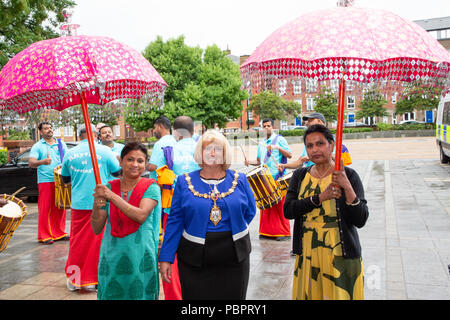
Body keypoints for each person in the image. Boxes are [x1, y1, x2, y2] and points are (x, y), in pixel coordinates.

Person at [159, 130, 256, 300]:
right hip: (193, 257)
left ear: (225, 153)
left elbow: (250, 211)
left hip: (234, 255)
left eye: (218, 149)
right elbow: (175, 221)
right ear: (199, 153)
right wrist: (166, 258)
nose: (212, 153)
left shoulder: (240, 179)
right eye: (207, 149)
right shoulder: (183, 181)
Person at [283, 124, 368, 300]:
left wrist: (347, 187)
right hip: (308, 255)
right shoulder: (300, 176)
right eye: (310, 145)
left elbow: (360, 219)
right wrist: (320, 198)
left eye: (320, 143)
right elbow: (289, 210)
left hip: (340, 256)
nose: (315, 149)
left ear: (332, 145)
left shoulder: (349, 175)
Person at [91, 142, 161, 300]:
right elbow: (96, 228)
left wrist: (111, 197)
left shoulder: (151, 187)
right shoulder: (108, 187)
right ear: (120, 161)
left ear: (146, 164)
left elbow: (141, 215)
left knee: (140, 294)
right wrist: (97, 205)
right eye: (130, 159)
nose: (135, 164)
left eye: (140, 161)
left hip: (141, 255)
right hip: (112, 255)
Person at [61, 123, 122, 292]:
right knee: (100, 242)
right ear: (95, 134)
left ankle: (75, 279)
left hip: (79, 203)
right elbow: (117, 173)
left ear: (79, 135)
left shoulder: (70, 153)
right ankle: (96, 279)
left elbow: (64, 179)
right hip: (101, 201)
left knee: (77, 241)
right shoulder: (105, 151)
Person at [245, 118, 292, 240]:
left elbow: (290, 154)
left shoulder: (279, 139)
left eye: (268, 126)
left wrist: (277, 147)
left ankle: (284, 233)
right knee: (266, 206)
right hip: (265, 178)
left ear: (273, 127)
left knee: (279, 206)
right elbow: (259, 161)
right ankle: (267, 232)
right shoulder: (262, 142)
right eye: (264, 126)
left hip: (277, 177)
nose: (266, 128)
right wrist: (248, 162)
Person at [29, 122, 69, 244]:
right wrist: (42, 162)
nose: (49, 130)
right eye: (46, 129)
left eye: (51, 128)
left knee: (60, 207)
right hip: (46, 181)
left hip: (60, 179)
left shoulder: (61, 144)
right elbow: (31, 163)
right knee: (45, 208)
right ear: (41, 132)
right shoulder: (38, 146)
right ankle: (44, 235)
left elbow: (68, 159)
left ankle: (59, 232)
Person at [278, 112, 352, 171]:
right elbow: (299, 162)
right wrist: (284, 165)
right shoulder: (309, 141)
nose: (307, 123)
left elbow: (338, 160)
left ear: (319, 121)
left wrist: (316, 156)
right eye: (310, 146)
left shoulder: (331, 139)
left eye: (310, 121)